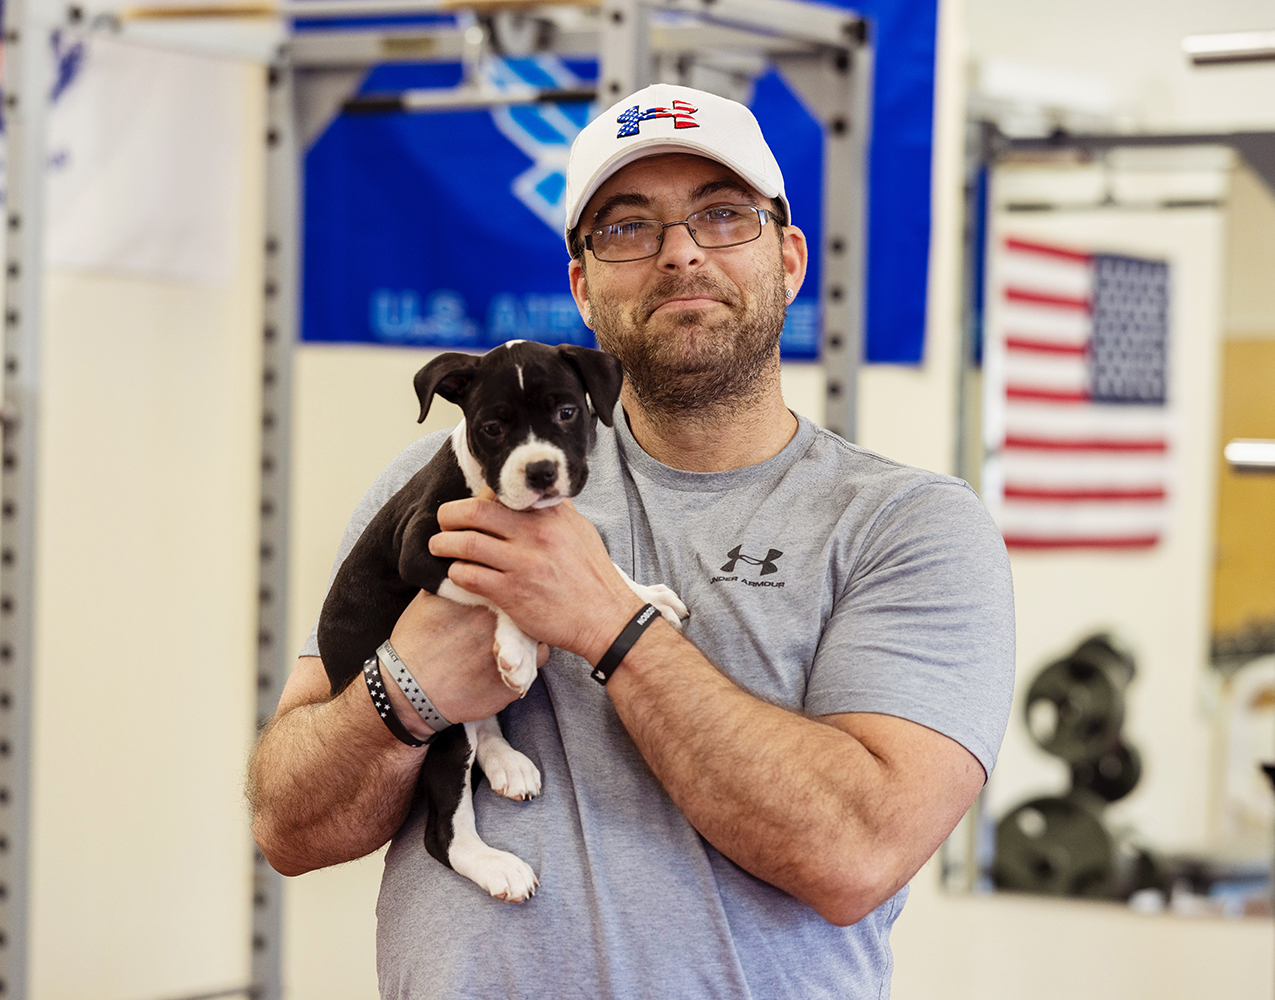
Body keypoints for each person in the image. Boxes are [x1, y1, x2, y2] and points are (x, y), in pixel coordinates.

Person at [249, 83, 1014, 998]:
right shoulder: (451, 481)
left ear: (790, 258)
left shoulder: (908, 526)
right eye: (627, 228)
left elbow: (856, 854)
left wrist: (608, 621)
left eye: (723, 215)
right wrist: (404, 692)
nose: (680, 251)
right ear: (582, 286)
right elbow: (287, 826)